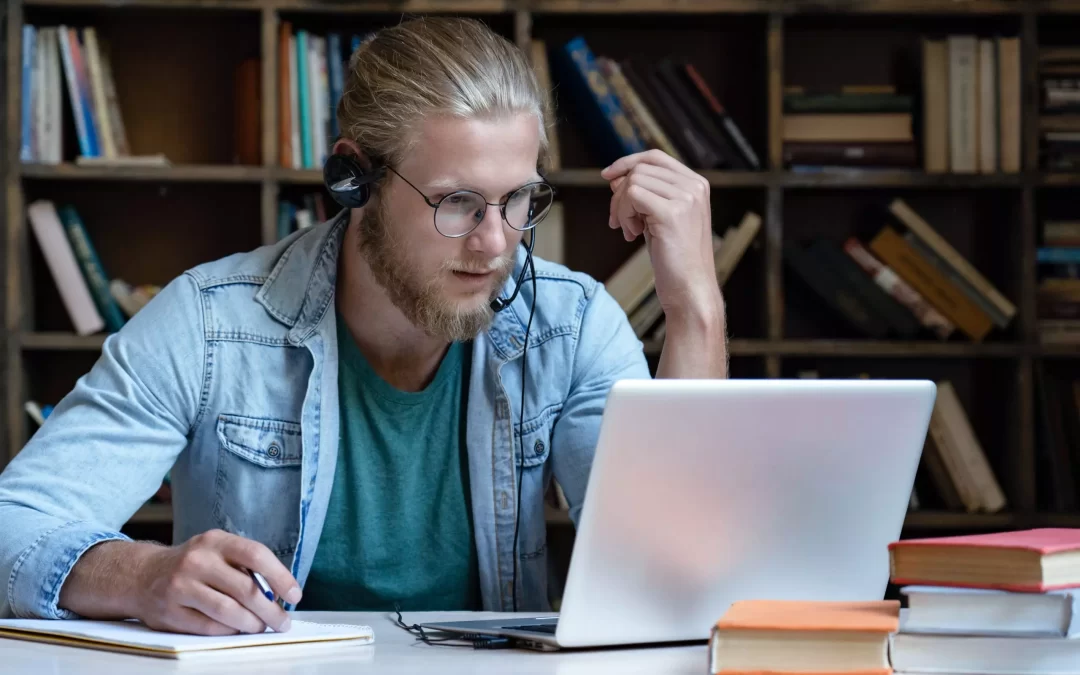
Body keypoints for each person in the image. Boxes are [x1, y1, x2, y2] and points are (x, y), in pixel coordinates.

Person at [0, 16, 727, 635]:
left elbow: (674, 573)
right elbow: (14, 522)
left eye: (518, 200)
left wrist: (696, 308)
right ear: (355, 180)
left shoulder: (571, 325)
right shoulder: (209, 322)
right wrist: (143, 574)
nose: (497, 243)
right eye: (458, 202)